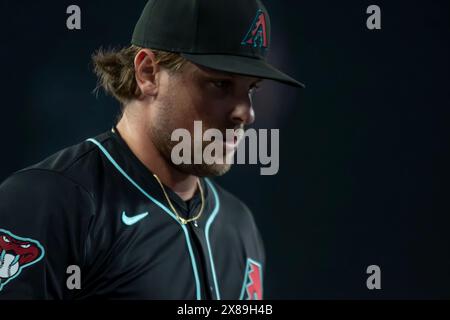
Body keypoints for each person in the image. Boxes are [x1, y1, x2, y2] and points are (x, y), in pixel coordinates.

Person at [0, 0, 303, 299]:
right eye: (220, 84)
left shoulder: (238, 225)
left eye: (251, 89)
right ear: (147, 73)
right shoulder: (52, 202)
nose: (245, 113)